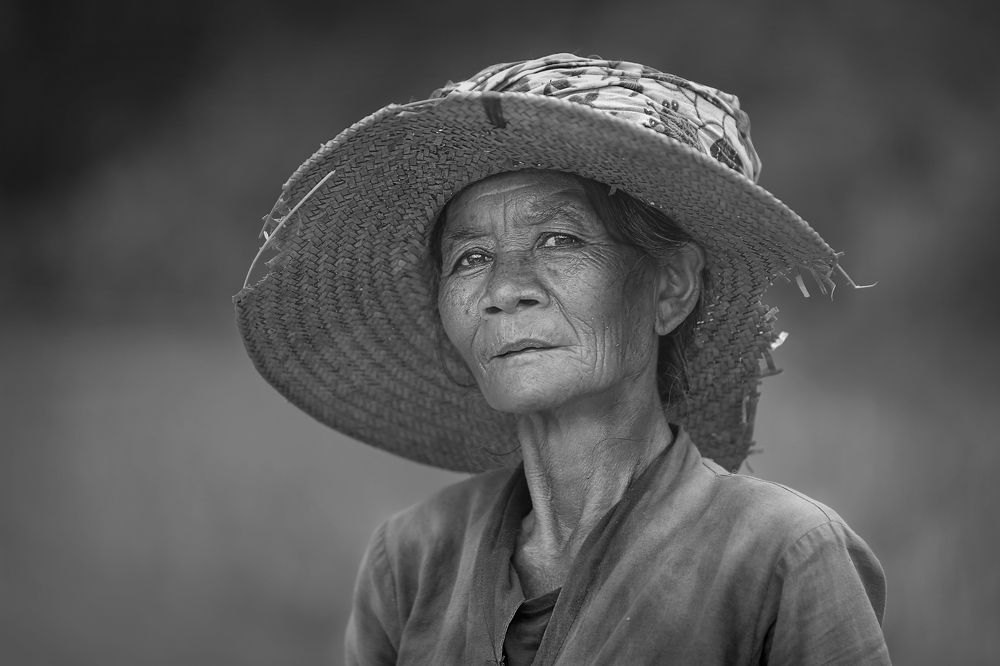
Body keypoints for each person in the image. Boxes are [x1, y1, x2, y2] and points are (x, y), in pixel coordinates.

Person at [234, 54, 891, 664]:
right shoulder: (413, 559)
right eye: (470, 259)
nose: (501, 290)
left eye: (557, 238)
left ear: (671, 288)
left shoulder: (784, 558)